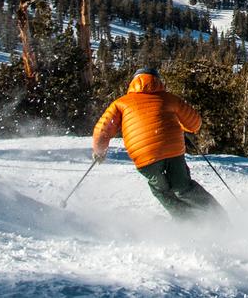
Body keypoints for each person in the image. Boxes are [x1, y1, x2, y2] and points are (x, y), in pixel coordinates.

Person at [92, 67, 224, 220]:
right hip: (172, 150)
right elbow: (194, 123)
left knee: (161, 190)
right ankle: (219, 217)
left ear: (133, 82)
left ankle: (188, 222)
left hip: (145, 156)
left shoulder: (121, 103)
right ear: (158, 80)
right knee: (183, 187)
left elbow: (103, 130)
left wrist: (99, 151)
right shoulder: (169, 98)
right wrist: (184, 126)